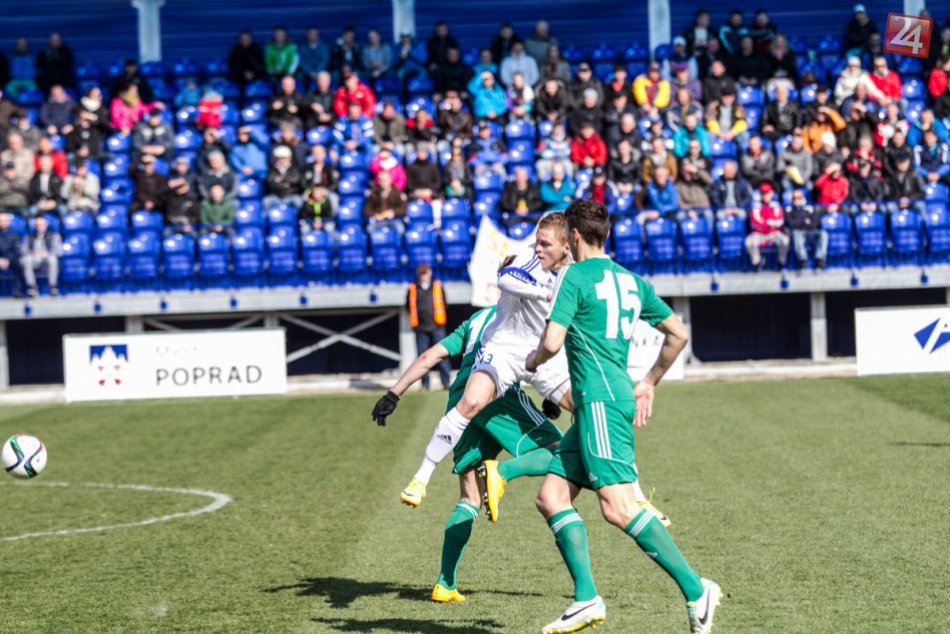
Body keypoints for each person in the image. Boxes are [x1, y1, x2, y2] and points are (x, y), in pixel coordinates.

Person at [527, 200, 718, 634]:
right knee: (552, 498)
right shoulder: (632, 281)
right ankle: (585, 599)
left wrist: (533, 360)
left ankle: (696, 589)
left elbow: (553, 342)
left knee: (618, 507)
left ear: (573, 236)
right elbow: (679, 333)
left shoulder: (574, 275)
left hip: (597, 401)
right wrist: (649, 379)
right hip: (611, 397)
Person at [371, 301, 564, 603]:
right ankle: (503, 472)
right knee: (563, 451)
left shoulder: (474, 320)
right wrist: (551, 396)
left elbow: (429, 355)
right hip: (497, 394)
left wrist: (393, 393)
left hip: (459, 402)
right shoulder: (525, 314)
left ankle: (445, 584)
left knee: (470, 499)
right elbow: (536, 357)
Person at [406, 264, 451, 389]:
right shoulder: (412, 287)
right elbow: (408, 306)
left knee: (442, 356)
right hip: (421, 328)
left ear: (430, 272)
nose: (423, 276)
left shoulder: (437, 285)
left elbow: (445, 304)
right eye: (421, 273)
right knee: (422, 358)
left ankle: (446, 382)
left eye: (425, 273)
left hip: (437, 327)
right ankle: (425, 384)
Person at [745, 182, 789, 271]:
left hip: (773, 232)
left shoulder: (776, 205)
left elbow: (780, 221)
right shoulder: (756, 206)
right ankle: (756, 263)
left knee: (785, 240)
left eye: (767, 194)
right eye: (763, 194)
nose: (765, 196)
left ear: (771, 194)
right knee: (749, 242)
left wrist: (768, 222)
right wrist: (769, 223)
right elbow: (755, 223)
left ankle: (781, 263)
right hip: (759, 233)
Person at [20, 214, 60, 297]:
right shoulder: (29, 236)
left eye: (41, 225)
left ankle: (53, 286)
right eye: (37, 225)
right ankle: (32, 287)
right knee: (27, 259)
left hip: (47, 257)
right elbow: (23, 249)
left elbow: (58, 251)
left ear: (46, 225)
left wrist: (47, 253)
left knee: (53, 259)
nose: (39, 227)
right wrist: (32, 253)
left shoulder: (54, 235)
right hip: (33, 257)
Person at [786, 188, 826, 269]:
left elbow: (814, 223)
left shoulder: (809, 207)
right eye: (794, 198)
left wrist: (801, 222)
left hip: (810, 231)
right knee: (796, 233)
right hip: (799, 231)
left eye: (799, 197)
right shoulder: (789, 209)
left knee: (823, 234)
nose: (797, 200)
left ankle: (820, 259)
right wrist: (804, 221)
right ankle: (803, 260)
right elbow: (791, 223)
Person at [0, 212, 25, 296]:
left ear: (9, 221)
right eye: (1, 220)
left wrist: (8, 259)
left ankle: (17, 290)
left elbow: (17, 250)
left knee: (19, 263)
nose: (3, 222)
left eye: (5, 220)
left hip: (11, 259)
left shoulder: (15, 233)